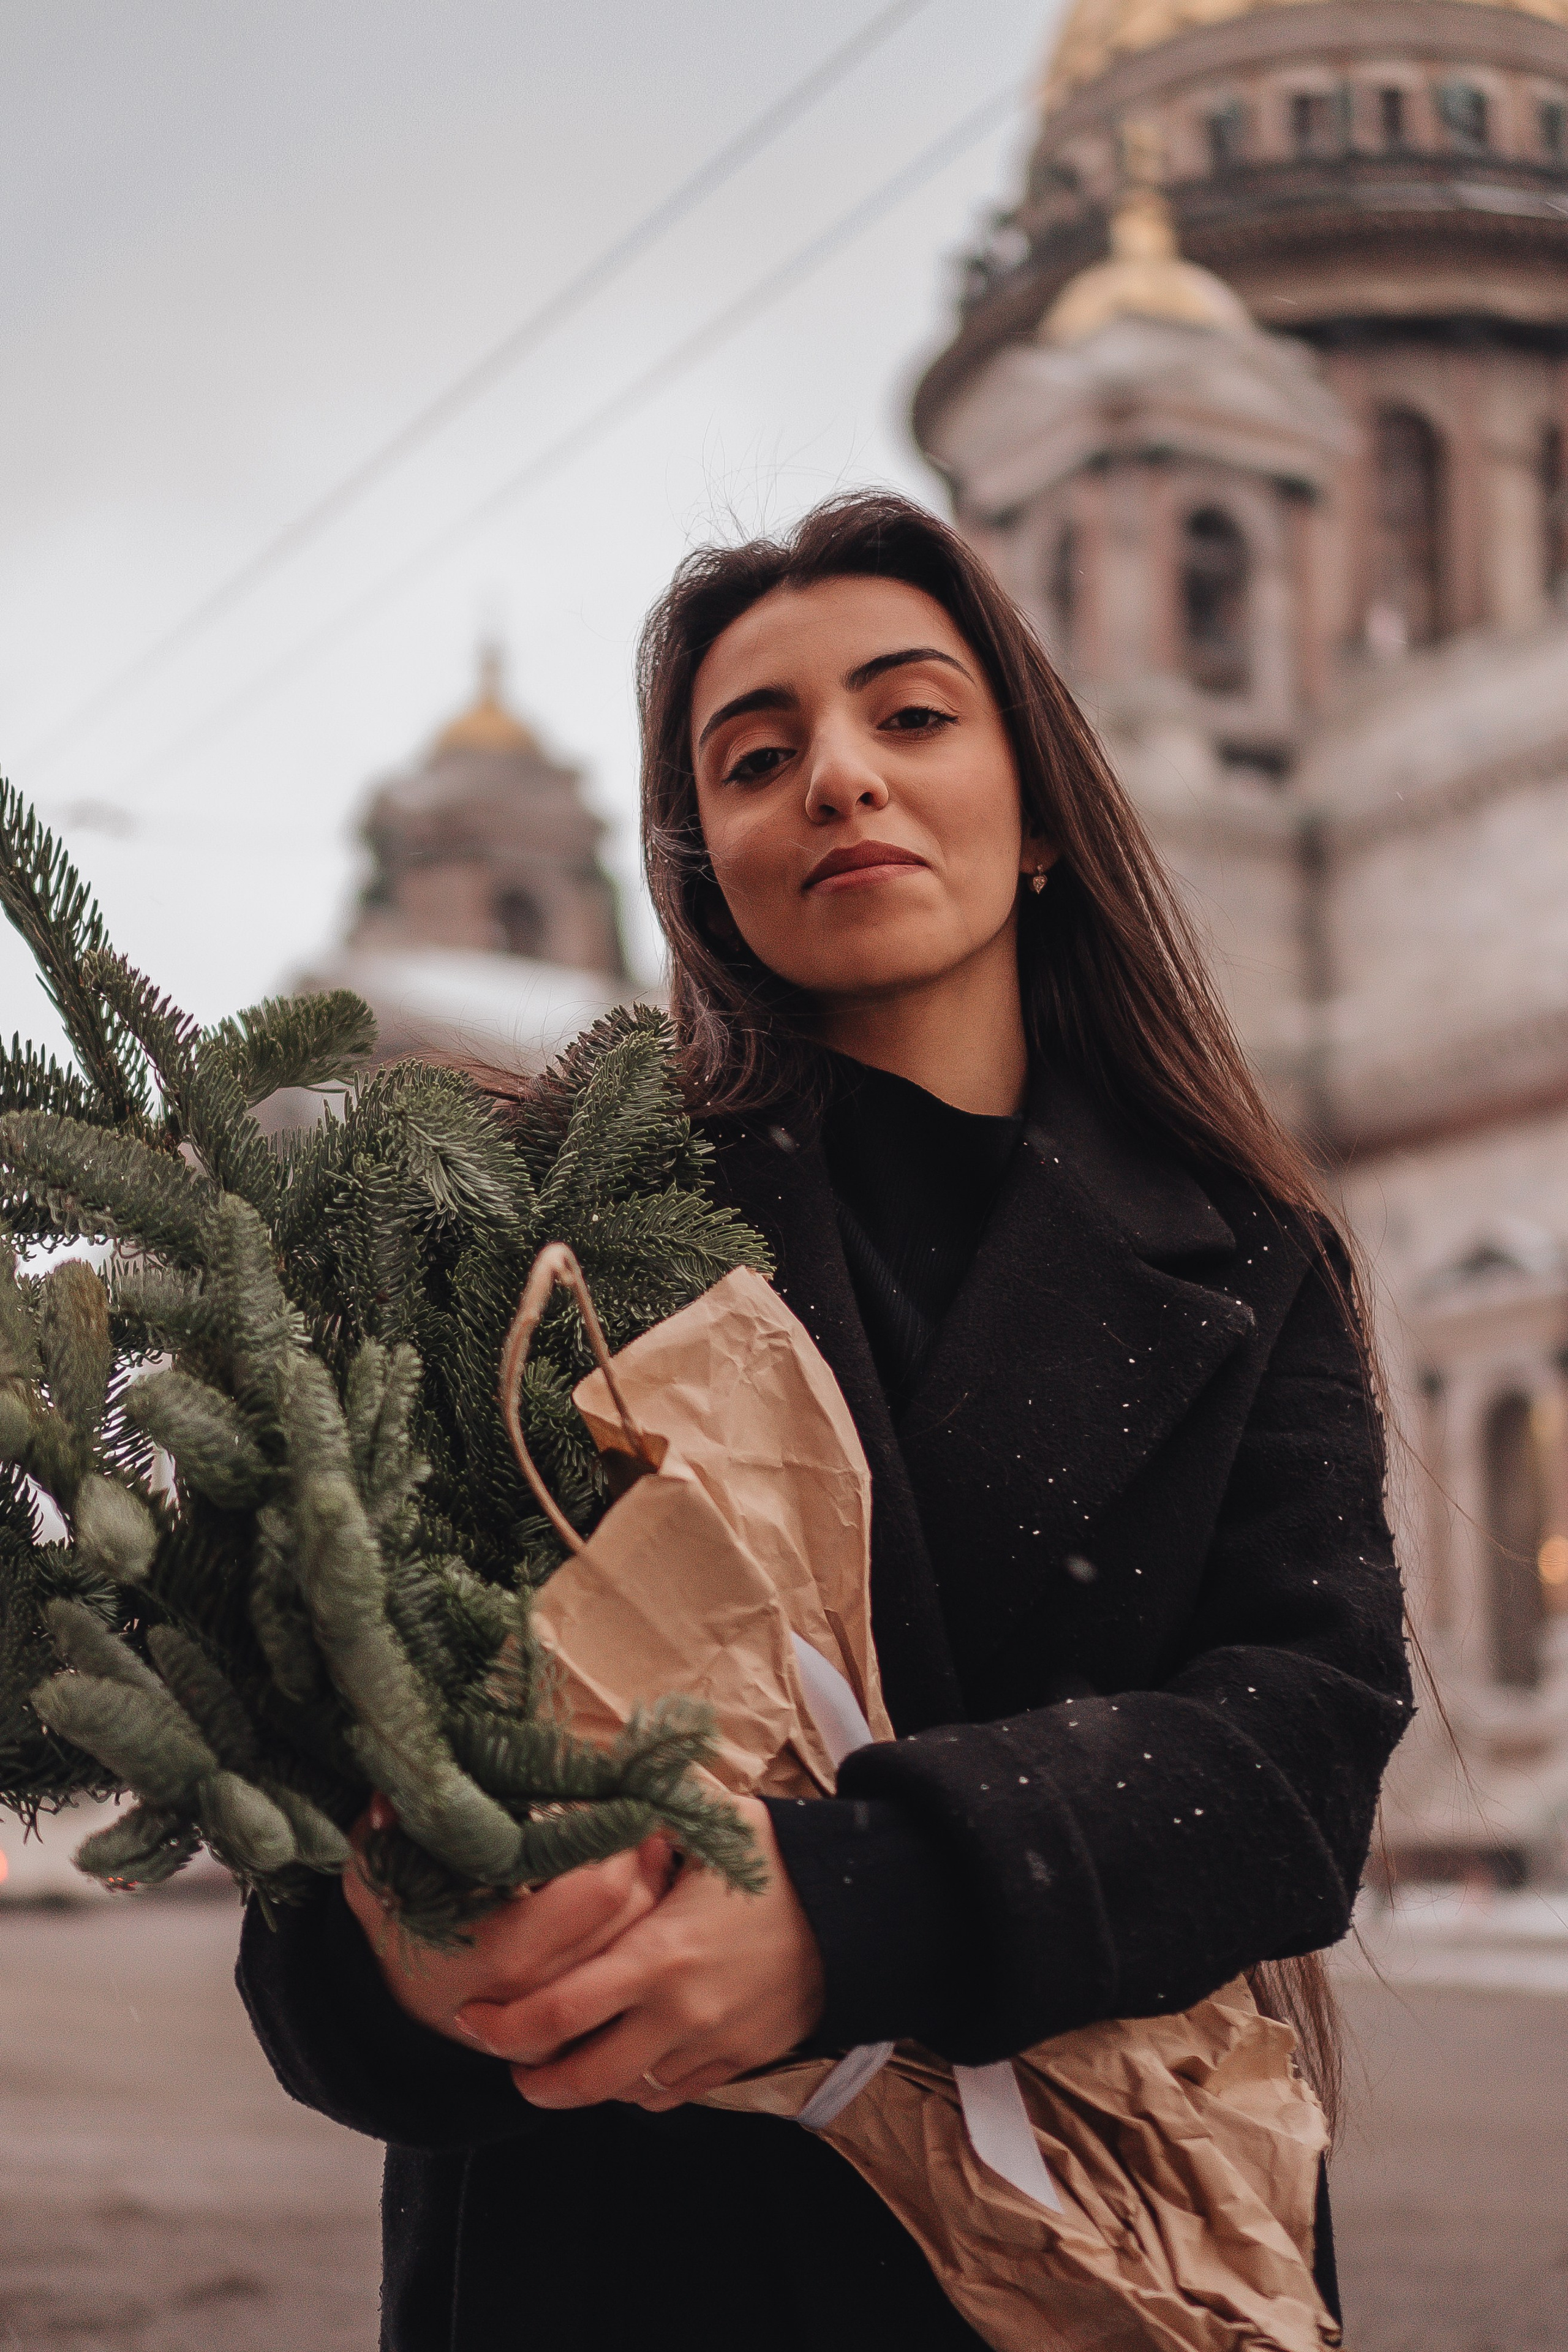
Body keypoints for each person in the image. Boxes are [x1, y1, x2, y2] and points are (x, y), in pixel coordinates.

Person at [239, 491, 1412, 2350]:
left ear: (1040, 818)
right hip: (613, 2259)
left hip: (1088, 2254)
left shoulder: (1245, 1251)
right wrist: (428, 1964)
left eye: (912, 716)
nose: (841, 779)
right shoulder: (546, 1230)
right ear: (705, 864)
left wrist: (854, 1909)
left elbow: (1300, 1743)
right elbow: (327, 1840)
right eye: (759, 754)